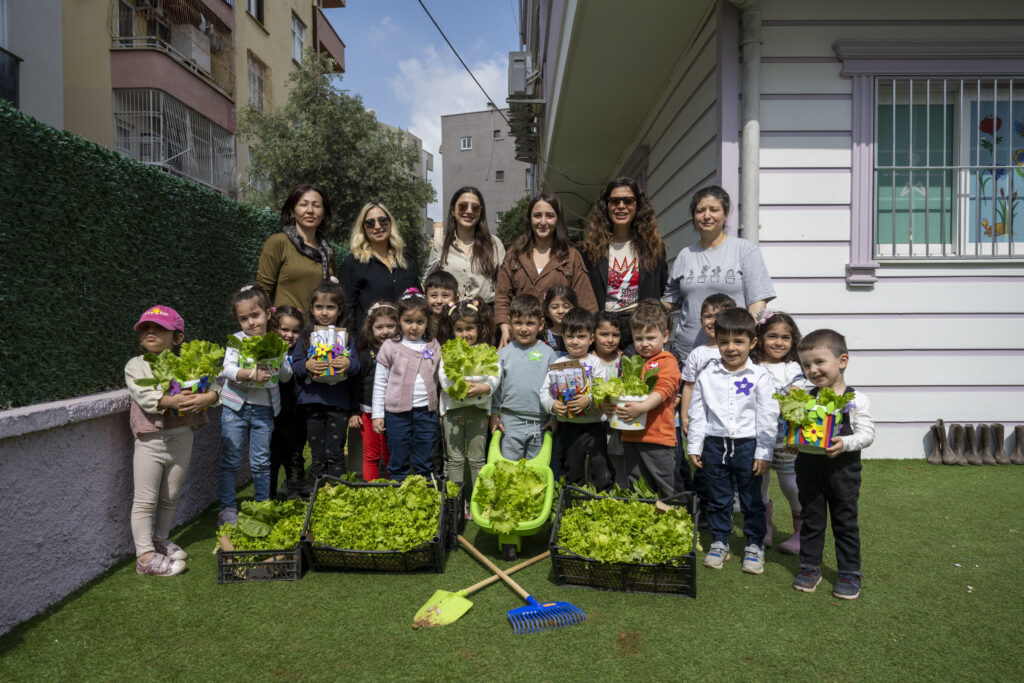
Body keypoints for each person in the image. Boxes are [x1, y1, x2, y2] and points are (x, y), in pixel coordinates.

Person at [126, 305, 219, 576]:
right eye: (145, 328)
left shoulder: (187, 362)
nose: (150, 332)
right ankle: (144, 555)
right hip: (150, 441)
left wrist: (208, 397)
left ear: (177, 338)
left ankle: (160, 540)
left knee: (170, 495)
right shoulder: (136, 364)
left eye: (159, 328)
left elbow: (214, 386)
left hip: (181, 437)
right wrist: (170, 400)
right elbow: (144, 395)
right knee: (145, 498)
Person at [687, 308, 779, 575]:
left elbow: (768, 416)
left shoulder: (759, 376)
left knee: (751, 499)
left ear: (752, 343)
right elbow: (698, 412)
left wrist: (764, 452)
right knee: (717, 497)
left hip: (748, 445)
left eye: (738, 342)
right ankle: (719, 541)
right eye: (724, 341)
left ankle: (753, 544)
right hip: (714, 445)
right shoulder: (708, 374)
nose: (731, 348)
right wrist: (694, 446)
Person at [793, 329, 875, 600]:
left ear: (842, 361)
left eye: (819, 362)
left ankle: (850, 571)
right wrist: (791, 437)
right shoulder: (804, 398)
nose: (812, 370)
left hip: (844, 470)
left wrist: (845, 443)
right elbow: (793, 427)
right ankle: (809, 567)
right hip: (808, 467)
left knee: (845, 520)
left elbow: (867, 434)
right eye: (806, 365)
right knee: (812, 519)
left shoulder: (856, 399)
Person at [662, 185, 775, 362]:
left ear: (726, 213)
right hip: (687, 353)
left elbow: (758, 304)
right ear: (694, 216)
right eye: (700, 210)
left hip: (731, 354)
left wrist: (744, 337)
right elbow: (669, 302)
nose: (707, 216)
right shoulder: (685, 255)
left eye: (714, 210)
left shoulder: (745, 250)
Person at [218, 285, 294, 525]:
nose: (250, 322)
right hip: (235, 408)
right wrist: (250, 373)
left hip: (264, 410)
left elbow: (286, 377)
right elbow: (227, 369)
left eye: (255, 315)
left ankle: (262, 505)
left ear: (268, 313)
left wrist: (279, 359)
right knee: (230, 460)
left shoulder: (275, 342)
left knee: (261, 462)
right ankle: (228, 508)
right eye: (244, 318)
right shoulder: (236, 341)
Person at [494, 194, 598, 348]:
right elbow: (503, 296)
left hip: (561, 342)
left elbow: (586, 302)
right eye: (537, 216)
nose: (543, 222)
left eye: (550, 216)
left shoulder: (571, 256)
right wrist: (504, 328)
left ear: (558, 219)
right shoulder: (515, 254)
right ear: (529, 219)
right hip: (522, 338)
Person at [582, 177, 669, 350]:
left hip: (640, 331)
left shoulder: (653, 248)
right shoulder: (591, 249)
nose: (621, 206)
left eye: (628, 200)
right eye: (615, 201)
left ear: (637, 205)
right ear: (606, 206)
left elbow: (662, 288)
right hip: (605, 331)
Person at [291, 279, 360, 482]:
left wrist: (348, 362)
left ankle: (337, 493)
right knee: (317, 452)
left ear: (339, 310)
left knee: (336, 451)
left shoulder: (345, 337)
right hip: (312, 401)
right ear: (311, 309)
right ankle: (317, 493)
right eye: (319, 307)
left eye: (330, 307)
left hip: (337, 403)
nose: (324, 312)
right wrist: (307, 366)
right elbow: (295, 365)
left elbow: (357, 366)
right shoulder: (306, 335)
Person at [751, 311, 808, 554]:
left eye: (785, 337)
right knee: (759, 482)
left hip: (786, 438)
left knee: (790, 484)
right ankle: (765, 529)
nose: (779, 342)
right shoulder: (750, 365)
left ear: (793, 341)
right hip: (757, 436)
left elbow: (796, 393)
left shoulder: (794, 366)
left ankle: (801, 533)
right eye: (772, 336)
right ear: (759, 338)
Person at [613, 300, 682, 498]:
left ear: (665, 336)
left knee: (666, 485)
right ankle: (647, 525)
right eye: (639, 338)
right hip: (631, 435)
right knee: (638, 486)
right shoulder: (631, 362)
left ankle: (677, 523)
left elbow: (664, 390)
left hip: (658, 437)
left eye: (651, 338)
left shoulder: (667, 361)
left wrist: (641, 407)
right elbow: (619, 391)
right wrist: (608, 405)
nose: (644, 344)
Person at [372, 290, 441, 481]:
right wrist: (378, 414)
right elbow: (380, 383)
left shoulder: (433, 345)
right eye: (408, 321)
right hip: (397, 415)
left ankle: (423, 498)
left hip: (426, 414)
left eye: (420, 322)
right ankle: (398, 496)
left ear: (427, 322)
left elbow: (439, 377)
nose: (414, 327)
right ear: (399, 320)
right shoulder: (390, 347)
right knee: (398, 459)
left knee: (424, 460)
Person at [540, 308, 613, 489]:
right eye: (570, 336)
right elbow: (544, 392)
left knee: (599, 466)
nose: (575, 342)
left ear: (591, 339)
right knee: (572, 468)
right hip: (568, 426)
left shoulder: (596, 363)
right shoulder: (557, 364)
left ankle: (602, 498)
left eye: (581, 337)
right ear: (563, 337)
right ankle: (574, 501)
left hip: (594, 426)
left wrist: (588, 399)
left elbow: (601, 389)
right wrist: (552, 405)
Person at [438, 300, 499, 489]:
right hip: (453, 411)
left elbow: (496, 373)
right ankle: (457, 499)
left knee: (477, 458)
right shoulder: (448, 351)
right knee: (455, 458)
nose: (465, 334)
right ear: (451, 330)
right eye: (459, 329)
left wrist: (486, 387)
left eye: (470, 328)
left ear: (479, 328)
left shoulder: (487, 350)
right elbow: (444, 377)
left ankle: (476, 499)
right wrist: (459, 387)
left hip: (478, 411)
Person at [489, 294, 558, 460]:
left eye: (530, 323)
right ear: (510, 322)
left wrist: (554, 418)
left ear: (540, 324)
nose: (524, 329)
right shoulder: (503, 354)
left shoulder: (549, 354)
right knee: (508, 469)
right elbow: (496, 389)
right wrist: (493, 416)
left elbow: (556, 389)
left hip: (540, 423)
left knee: (536, 472)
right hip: (510, 421)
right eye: (518, 323)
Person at [339, 202, 419, 334]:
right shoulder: (353, 264)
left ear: (390, 224)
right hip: (368, 346)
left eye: (383, 221)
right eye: (370, 223)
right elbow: (347, 310)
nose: (377, 227)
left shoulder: (406, 263)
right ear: (363, 228)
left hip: (405, 343)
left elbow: (418, 303)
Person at [257, 183, 336, 310]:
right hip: (285, 328)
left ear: (323, 214)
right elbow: (263, 290)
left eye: (316, 205)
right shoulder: (278, 242)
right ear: (292, 212)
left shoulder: (328, 251)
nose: (310, 210)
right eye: (303, 204)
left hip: (317, 329)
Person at [427, 187, 506, 305]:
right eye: (462, 206)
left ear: (481, 213)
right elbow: (428, 282)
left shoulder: (494, 244)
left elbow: (506, 285)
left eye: (475, 208)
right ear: (453, 211)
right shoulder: (440, 245)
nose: (469, 211)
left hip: (485, 314)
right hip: (450, 316)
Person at [349, 301, 399, 481]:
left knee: (390, 455)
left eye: (390, 326)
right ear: (370, 329)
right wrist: (354, 412)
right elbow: (355, 384)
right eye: (379, 327)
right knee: (371, 454)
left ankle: (390, 490)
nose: (385, 331)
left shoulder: (401, 350)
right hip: (368, 412)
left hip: (394, 412)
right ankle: (370, 490)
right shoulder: (364, 353)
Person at [680, 293, 737, 436]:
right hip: (702, 416)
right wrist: (685, 416)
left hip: (733, 416)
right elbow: (689, 386)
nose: (713, 321)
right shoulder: (697, 353)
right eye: (708, 316)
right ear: (701, 321)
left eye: (720, 316)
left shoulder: (737, 351)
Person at [267, 305, 307, 499]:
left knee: (295, 456)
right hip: (273, 415)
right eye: (285, 330)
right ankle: (269, 495)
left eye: (295, 331)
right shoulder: (269, 351)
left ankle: (295, 492)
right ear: (274, 329)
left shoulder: (303, 353)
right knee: (272, 457)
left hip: (297, 415)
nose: (290, 335)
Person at [593, 312, 627, 488]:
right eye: (604, 334)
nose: (610, 340)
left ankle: (621, 495)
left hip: (617, 424)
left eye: (615, 335)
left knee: (619, 465)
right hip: (593, 423)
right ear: (594, 335)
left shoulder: (624, 359)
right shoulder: (588, 360)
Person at [423, 269, 459, 345]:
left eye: (445, 295)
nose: (439, 301)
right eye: (434, 295)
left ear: (456, 299)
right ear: (425, 298)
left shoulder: (458, 321)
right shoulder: (421, 320)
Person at [542, 285, 576, 357]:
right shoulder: (540, 338)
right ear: (547, 311)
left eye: (566, 307)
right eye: (554, 307)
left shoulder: (581, 335)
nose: (560, 311)